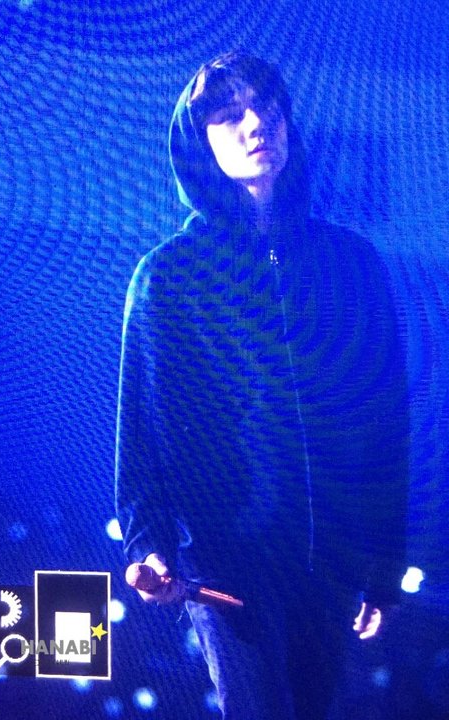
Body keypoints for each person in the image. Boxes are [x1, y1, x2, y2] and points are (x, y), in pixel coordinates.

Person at [115, 52, 408, 719]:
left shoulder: (352, 264)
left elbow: (385, 422)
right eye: (228, 114)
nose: (255, 124)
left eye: (266, 107)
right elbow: (142, 428)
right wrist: (149, 544)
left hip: (329, 557)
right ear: (198, 141)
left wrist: (385, 564)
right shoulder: (168, 276)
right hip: (224, 560)